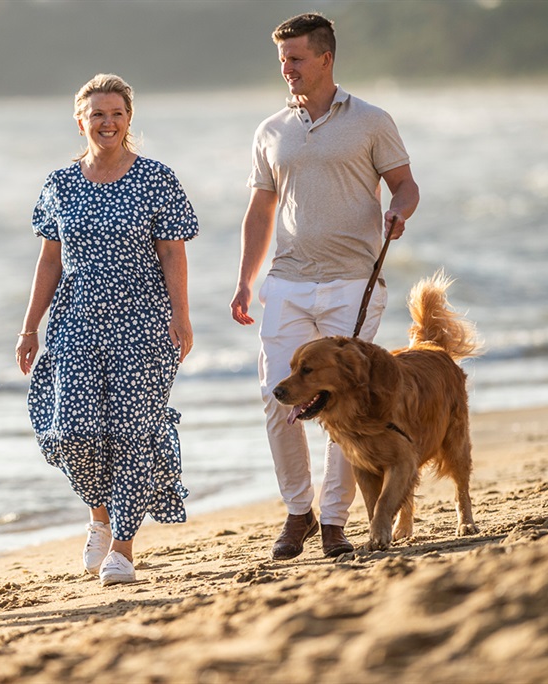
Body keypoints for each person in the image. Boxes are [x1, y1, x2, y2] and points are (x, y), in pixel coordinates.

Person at [230, 13, 420, 561]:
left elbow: (404, 184)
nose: (287, 69)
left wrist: (399, 212)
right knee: (277, 398)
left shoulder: (370, 120)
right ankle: (298, 512)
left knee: (348, 404)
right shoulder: (270, 130)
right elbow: (260, 209)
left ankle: (335, 521)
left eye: (296, 58)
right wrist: (245, 280)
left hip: (352, 281)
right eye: (282, 60)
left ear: (325, 58)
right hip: (287, 282)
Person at [16, 73, 198, 586]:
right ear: (81, 122)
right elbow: (49, 260)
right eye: (98, 114)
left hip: (143, 324)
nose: (108, 122)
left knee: (135, 432)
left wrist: (180, 316)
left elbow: (172, 252)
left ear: (129, 119)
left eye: (116, 113)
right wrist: (30, 328)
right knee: (73, 431)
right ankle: (98, 514)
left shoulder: (156, 178)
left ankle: (122, 547)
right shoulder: (60, 184)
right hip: (75, 323)